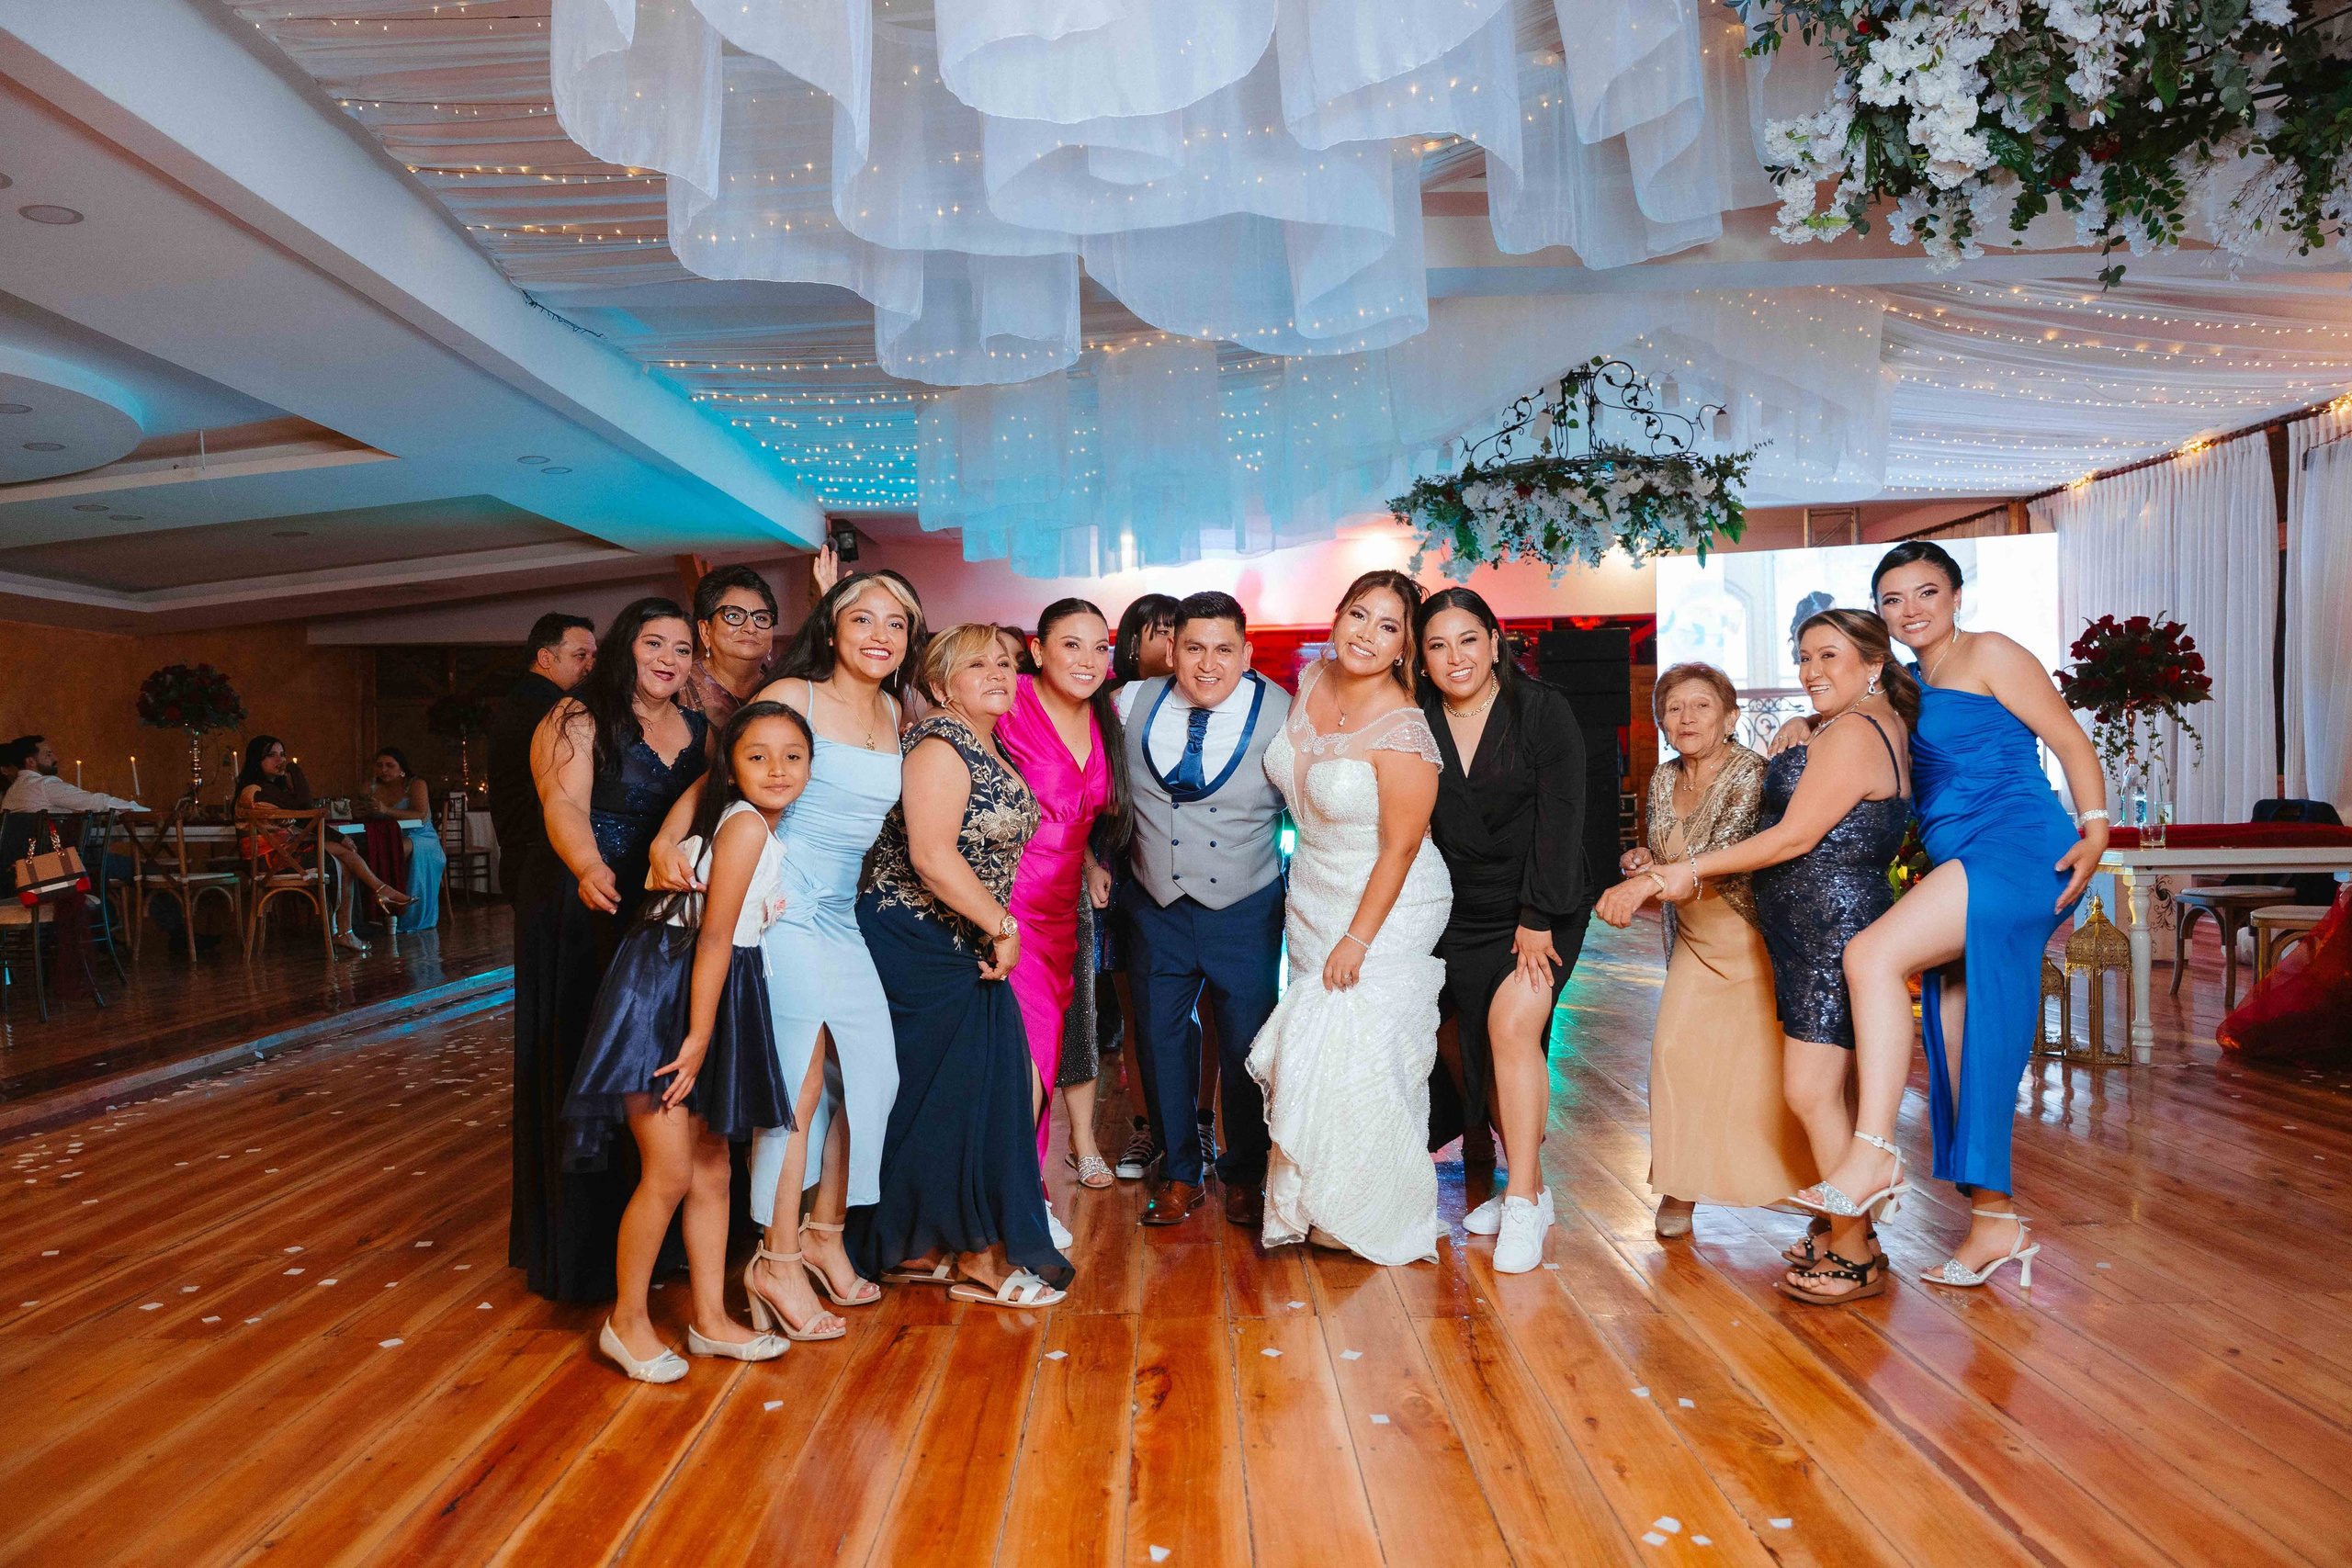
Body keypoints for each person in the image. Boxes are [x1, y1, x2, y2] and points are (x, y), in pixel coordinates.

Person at [1596, 609, 1915, 1305]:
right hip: (1807, 926)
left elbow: (1791, 837)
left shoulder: (1855, 732)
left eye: (1828, 656)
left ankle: (1854, 1242)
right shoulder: (1853, 726)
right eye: (1804, 657)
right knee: (1808, 1089)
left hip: (1820, 928)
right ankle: (1844, 1228)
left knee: (1808, 1091)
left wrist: (1666, 877)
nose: (1810, 672)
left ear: (1875, 663)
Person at [650, 570, 923, 1337]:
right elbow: (723, 772)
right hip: (783, 907)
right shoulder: (797, 696)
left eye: (895, 623)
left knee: (870, 1076)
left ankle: (825, 1235)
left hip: (841, 912)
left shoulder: (896, 707)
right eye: (862, 617)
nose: (879, 634)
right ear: (831, 628)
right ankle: (775, 1259)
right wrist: (670, 840)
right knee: (798, 1090)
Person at [1839, 541, 2107, 1292]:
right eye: (1893, 599)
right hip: (1962, 859)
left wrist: (2097, 826)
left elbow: (2068, 738)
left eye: (1926, 592)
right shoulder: (1905, 685)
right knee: (1960, 1040)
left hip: (2020, 845)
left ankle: (1875, 1152)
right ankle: (1996, 1221)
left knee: (1872, 956)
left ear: (1956, 595)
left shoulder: (1990, 652)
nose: (1911, 610)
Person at [564, 703, 808, 1379]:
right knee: (670, 1169)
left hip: (711, 981)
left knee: (713, 1167)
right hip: (669, 987)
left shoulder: (736, 814)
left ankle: (709, 1318)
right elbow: (713, 937)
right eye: (757, 756)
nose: (778, 769)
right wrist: (699, 1035)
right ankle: (627, 1321)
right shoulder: (746, 827)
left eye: (793, 755)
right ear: (730, 765)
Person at [847, 623, 1070, 1307]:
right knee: (955, 1092)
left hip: (959, 938)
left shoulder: (983, 743)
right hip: (918, 938)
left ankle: (918, 1244)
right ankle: (974, 1257)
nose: (999, 671)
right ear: (941, 683)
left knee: (954, 1094)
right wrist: (1003, 925)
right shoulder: (939, 743)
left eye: (1005, 661)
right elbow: (931, 855)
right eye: (978, 663)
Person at [1246, 571, 1451, 1266]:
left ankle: (1368, 1207)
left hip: (1388, 904)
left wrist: (1358, 938)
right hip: (1311, 892)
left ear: (1404, 647)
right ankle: (1312, 1199)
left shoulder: (1404, 726)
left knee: (1363, 1052)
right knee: (1318, 1053)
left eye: (1387, 626)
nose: (1366, 633)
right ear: (1335, 618)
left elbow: (1399, 846)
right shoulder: (1310, 680)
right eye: (1358, 615)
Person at [511, 598, 709, 1303]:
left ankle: (652, 1248)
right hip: (583, 903)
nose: (667, 659)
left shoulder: (696, 727)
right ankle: (581, 1257)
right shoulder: (575, 716)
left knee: (647, 1076)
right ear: (626, 648)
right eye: (654, 643)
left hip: (659, 914)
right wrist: (590, 865)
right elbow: (561, 804)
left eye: (681, 649)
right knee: (583, 1068)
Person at [1413, 588, 1590, 1270]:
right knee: (1477, 1049)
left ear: (1494, 640)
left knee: (1513, 1027)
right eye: (1437, 644)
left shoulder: (1542, 709)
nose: (1454, 656)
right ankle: (1533, 1186)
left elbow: (1564, 815)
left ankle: (1520, 1201)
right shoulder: (1418, 719)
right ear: (1423, 659)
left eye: (1467, 639)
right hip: (1458, 910)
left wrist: (1538, 915)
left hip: (1540, 905)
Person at [1619, 665, 1815, 1241]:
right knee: (1673, 1056)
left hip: (1753, 944)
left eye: (1701, 706)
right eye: (1674, 708)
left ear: (1730, 718)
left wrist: (1655, 879)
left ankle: (1812, 1189)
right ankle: (1680, 1188)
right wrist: (1642, 862)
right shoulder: (1660, 778)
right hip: (1696, 944)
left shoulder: (1755, 774)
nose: (1686, 718)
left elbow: (1741, 852)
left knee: (1765, 1077)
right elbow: (1667, 854)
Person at [1116, 591, 1293, 1230]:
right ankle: (1182, 1171)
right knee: (1161, 1039)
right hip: (1154, 903)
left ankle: (1246, 1169)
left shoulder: (1285, 712)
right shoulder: (1129, 703)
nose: (1208, 663)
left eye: (1224, 649)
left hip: (1244, 905)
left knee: (1247, 1042)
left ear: (1246, 652)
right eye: (1194, 647)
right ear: (1171, 649)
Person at [996, 600, 1128, 1194]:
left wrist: (1095, 861)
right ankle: (1019, 1195)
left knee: (1063, 1032)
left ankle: (1038, 1175)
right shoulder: (1007, 700)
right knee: (1023, 1046)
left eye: (1100, 646)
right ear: (1037, 649)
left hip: (1067, 898)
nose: (1088, 658)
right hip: (1008, 895)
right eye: (1071, 644)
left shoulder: (1106, 718)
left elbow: (1082, 811)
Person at [1105, 593, 1181, 1182]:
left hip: (1199, 879)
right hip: (1126, 867)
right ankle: (1147, 1127)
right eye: (1164, 633)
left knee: (1196, 1012)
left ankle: (1198, 1123)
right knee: (1140, 1013)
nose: (1176, 646)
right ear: (1135, 644)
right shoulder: (1114, 707)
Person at [0, 735, 197, 953]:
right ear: (31, 761)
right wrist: (147, 813)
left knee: (101, 868)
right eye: (48, 754)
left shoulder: (14, 791)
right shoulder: (43, 785)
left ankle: (99, 936)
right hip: (55, 871)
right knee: (148, 869)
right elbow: (97, 802)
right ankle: (180, 937)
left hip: (23, 873)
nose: (55, 758)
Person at [234, 736, 413, 952]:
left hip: (286, 851)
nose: (279, 760)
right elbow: (306, 810)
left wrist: (340, 838)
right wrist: (294, 769)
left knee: (345, 853)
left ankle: (369, 905)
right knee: (343, 858)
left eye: (282, 754)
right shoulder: (257, 789)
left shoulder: (275, 789)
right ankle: (360, 915)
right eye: (271, 755)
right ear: (257, 759)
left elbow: (305, 818)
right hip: (269, 859)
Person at [489, 614, 595, 899]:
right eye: (580, 655)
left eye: (592, 656)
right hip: (540, 859)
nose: (590, 666)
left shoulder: (527, 698)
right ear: (546, 658)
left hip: (525, 855)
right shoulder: (549, 708)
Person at [680, 565, 782, 725]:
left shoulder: (783, 688)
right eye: (734, 616)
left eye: (761, 618)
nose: (750, 628)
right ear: (706, 630)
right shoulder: (679, 689)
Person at [365, 748, 446, 932]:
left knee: (395, 849)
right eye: (379, 765)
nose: (383, 770)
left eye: (389, 765)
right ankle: (372, 913)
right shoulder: (371, 786)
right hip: (386, 835)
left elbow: (421, 816)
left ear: (401, 768)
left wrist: (386, 810)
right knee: (365, 850)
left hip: (421, 836)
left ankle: (405, 912)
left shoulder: (416, 784)